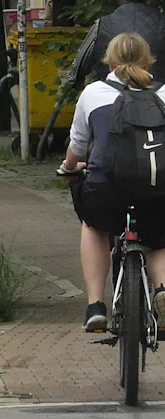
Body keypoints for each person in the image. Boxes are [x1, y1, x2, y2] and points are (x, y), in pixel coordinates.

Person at [61, 31, 165, 331]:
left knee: (93, 226)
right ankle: (161, 289)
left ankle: (95, 305)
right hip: (155, 187)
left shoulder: (93, 93)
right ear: (148, 60)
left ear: (109, 62)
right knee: (159, 239)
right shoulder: (162, 93)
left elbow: (78, 145)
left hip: (106, 189)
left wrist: (69, 167)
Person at [69, 0, 165, 90]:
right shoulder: (162, 25)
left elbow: (75, 75)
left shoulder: (101, 26)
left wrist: (94, 93)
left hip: (110, 103)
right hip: (156, 103)